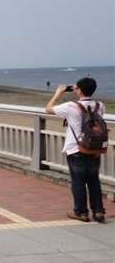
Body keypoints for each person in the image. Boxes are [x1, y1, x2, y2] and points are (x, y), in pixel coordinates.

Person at [45, 77, 107, 223]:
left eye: (77, 88)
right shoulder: (100, 105)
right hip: (94, 148)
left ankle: (81, 212)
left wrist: (58, 93)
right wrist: (79, 89)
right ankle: (98, 212)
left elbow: (48, 109)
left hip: (76, 149)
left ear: (78, 90)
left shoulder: (71, 106)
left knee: (78, 181)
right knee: (93, 180)